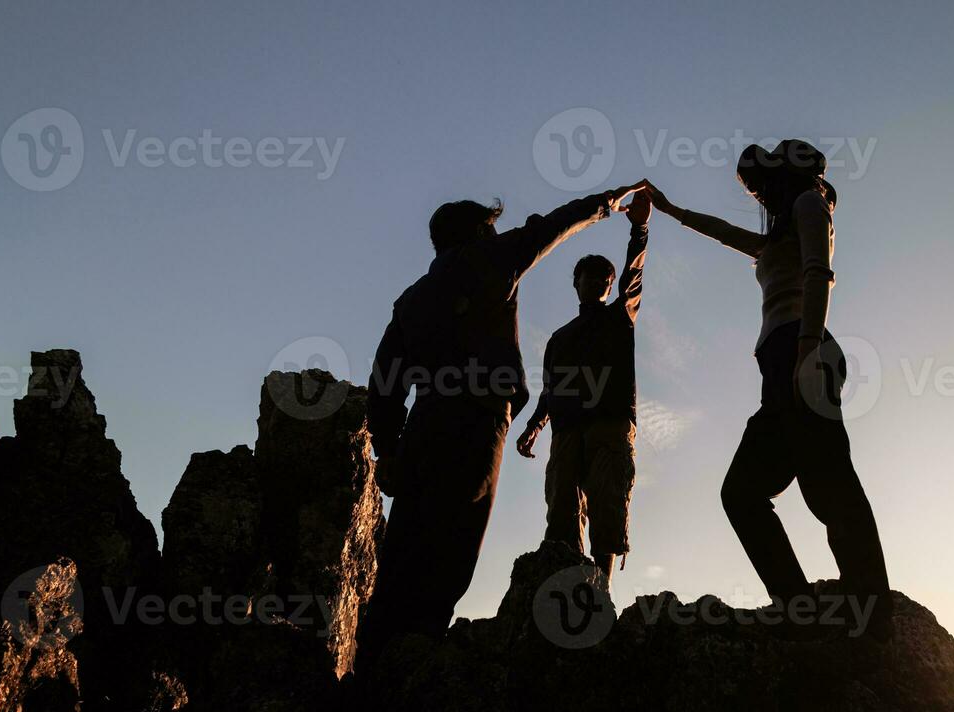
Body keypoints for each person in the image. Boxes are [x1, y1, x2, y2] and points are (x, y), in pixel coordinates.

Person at [358, 181, 646, 670]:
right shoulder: (489, 260)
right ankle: (418, 660)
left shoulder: (411, 300)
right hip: (476, 424)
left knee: (405, 548)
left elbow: (384, 382)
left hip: (423, 428)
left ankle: (374, 664)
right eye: (489, 229)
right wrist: (612, 203)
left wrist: (388, 449)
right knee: (455, 545)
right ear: (477, 234)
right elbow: (553, 224)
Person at [645, 142, 890, 641]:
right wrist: (670, 211)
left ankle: (873, 618)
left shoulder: (808, 203)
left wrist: (805, 348)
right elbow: (725, 233)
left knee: (829, 486)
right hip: (779, 361)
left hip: (805, 350)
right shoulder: (777, 230)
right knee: (741, 492)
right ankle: (800, 608)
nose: (758, 194)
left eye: (762, 183)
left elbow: (820, 272)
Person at [515, 191, 651, 587]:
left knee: (607, 507)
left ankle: (602, 594)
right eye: (592, 276)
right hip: (567, 429)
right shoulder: (559, 338)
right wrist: (536, 425)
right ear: (576, 282)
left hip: (609, 424)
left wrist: (639, 230)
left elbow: (634, 276)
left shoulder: (620, 317)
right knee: (561, 508)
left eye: (606, 279)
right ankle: (568, 590)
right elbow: (550, 387)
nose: (601, 282)